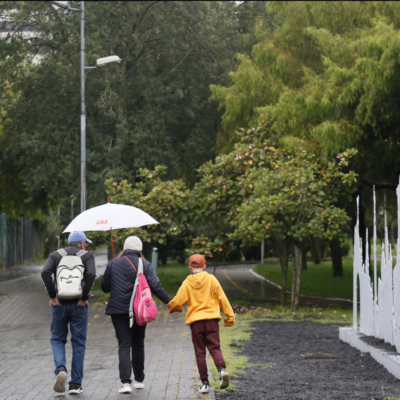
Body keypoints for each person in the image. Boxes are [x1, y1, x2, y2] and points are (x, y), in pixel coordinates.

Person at [101, 236, 172, 394]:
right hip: (139, 310)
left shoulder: (113, 263)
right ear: (140, 249)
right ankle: (139, 380)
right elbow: (155, 286)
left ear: (125, 248)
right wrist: (170, 302)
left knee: (124, 345)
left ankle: (125, 383)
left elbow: (104, 287)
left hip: (118, 311)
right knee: (138, 343)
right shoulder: (145, 264)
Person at [167, 254, 234, 394]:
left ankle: (204, 384)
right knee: (215, 348)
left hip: (196, 322)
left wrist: (173, 308)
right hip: (212, 321)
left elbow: (178, 301)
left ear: (190, 267)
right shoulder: (211, 279)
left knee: (200, 352)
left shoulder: (187, 282)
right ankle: (222, 371)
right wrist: (230, 316)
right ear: (204, 267)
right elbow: (222, 298)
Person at [41, 231, 96, 395]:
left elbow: (44, 273)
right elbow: (92, 274)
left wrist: (52, 297)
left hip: (59, 304)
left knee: (57, 338)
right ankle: (75, 385)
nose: (85, 246)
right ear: (80, 243)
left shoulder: (55, 255)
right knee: (79, 343)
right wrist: (84, 297)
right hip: (79, 305)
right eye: (84, 243)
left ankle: (60, 369)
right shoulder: (87, 256)